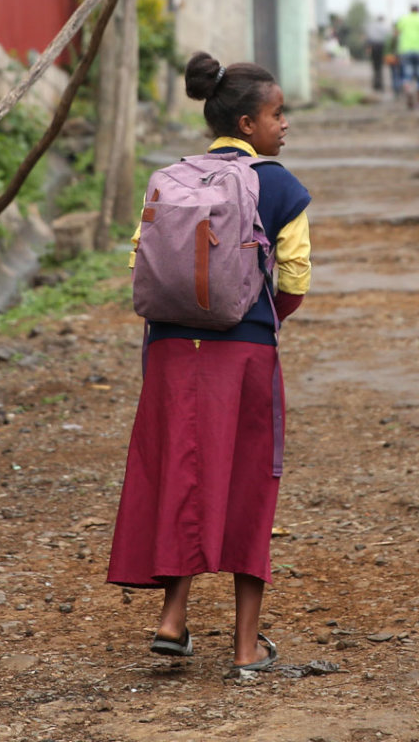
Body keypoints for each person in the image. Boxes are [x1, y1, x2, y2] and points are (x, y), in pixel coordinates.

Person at [107, 52, 311, 674]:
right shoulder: (280, 185)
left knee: (181, 470)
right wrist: (255, 314)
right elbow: (296, 278)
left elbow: (140, 263)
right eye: (278, 115)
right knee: (251, 482)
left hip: (170, 350)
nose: (285, 126)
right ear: (248, 124)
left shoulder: (166, 178)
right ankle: (246, 649)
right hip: (243, 353)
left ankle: (173, 618)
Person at [365, 14, 391, 92]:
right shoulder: (384, 27)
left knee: (375, 66)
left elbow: (369, 37)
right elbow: (387, 38)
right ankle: (379, 84)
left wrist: (368, 48)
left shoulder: (372, 27)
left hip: (373, 47)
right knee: (380, 66)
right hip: (381, 47)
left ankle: (375, 84)